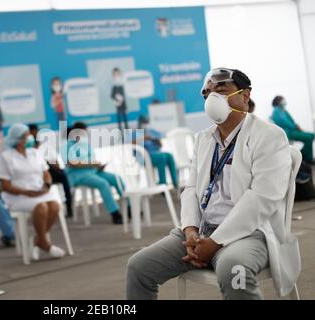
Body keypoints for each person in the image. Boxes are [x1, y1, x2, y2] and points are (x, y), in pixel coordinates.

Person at [126, 68, 300, 300]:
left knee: (234, 272)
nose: (211, 98)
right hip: (201, 231)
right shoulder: (204, 139)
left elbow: (261, 200)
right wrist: (190, 231)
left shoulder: (270, 136)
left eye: (220, 90)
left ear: (245, 96)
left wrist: (215, 242)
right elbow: (190, 190)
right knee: (139, 267)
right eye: (207, 94)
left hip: (249, 234)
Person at [0, 123, 65, 260]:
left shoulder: (35, 152)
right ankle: (44, 243)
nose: (31, 137)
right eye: (27, 135)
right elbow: (5, 185)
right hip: (18, 196)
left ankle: (38, 239)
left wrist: (46, 184)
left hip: (40, 192)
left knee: (55, 206)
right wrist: (27, 193)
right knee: (41, 208)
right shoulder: (5, 158)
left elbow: (46, 173)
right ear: (19, 138)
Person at [63, 122, 125, 224]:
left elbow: (92, 160)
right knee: (103, 183)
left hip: (94, 172)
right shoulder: (67, 146)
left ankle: (129, 207)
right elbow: (72, 164)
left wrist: (99, 166)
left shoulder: (86, 145)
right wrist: (92, 164)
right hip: (78, 175)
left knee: (117, 179)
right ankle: (115, 214)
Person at [28, 124, 74, 218]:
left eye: (35, 131)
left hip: (50, 173)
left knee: (63, 176)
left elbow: (54, 161)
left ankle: (69, 207)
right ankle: (41, 209)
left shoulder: (45, 146)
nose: (34, 133)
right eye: (32, 132)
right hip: (36, 175)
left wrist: (55, 167)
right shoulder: (26, 149)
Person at [136, 115, 179, 188]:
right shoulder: (135, 132)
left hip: (155, 154)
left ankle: (176, 183)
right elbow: (131, 145)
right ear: (140, 123)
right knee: (161, 157)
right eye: (144, 122)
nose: (145, 124)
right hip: (144, 157)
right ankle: (163, 183)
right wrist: (143, 138)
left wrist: (155, 140)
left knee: (169, 156)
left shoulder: (151, 132)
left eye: (146, 122)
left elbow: (160, 145)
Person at [271, 95, 314, 163]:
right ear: (278, 101)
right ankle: (307, 158)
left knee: (311, 135)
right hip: (288, 132)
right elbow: (284, 122)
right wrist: (295, 127)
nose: (284, 101)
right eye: (282, 100)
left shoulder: (283, 110)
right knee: (309, 137)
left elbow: (291, 121)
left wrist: (297, 126)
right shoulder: (276, 111)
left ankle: (303, 156)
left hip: (292, 130)